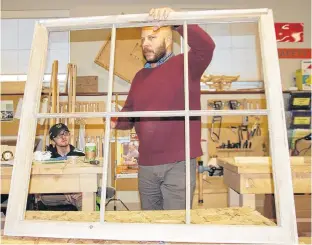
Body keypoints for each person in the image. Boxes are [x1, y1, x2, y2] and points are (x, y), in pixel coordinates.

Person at [111, 7, 215, 210]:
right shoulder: (140, 77)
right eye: (142, 40)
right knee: (151, 224)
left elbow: (206, 47)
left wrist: (177, 21)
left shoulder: (186, 64)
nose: (145, 44)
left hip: (179, 163)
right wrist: (114, 120)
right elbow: (129, 116)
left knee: (175, 226)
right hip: (147, 165)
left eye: (151, 38)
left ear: (168, 41)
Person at [37, 123, 115, 210]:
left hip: (78, 189)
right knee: (44, 197)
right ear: (53, 140)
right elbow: (46, 181)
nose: (63, 137)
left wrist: (76, 190)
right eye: (59, 135)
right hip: (58, 191)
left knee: (83, 198)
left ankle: (89, 192)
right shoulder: (48, 157)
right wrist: (66, 191)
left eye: (65, 133)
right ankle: (94, 191)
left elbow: (87, 176)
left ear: (69, 135)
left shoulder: (80, 155)